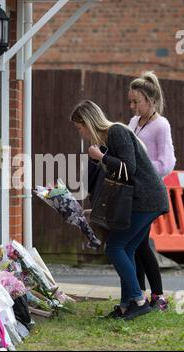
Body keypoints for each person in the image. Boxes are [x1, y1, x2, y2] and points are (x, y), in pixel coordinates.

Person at [70, 100, 169, 320]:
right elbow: (112, 180)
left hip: (147, 198)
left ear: (88, 122)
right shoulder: (107, 139)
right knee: (128, 248)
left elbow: (129, 168)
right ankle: (127, 305)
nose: (81, 134)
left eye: (80, 128)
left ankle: (139, 300)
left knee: (115, 247)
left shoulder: (116, 132)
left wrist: (102, 157)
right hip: (143, 199)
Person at [128, 71, 176, 310]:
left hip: (149, 193)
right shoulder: (134, 122)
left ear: (152, 101)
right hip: (134, 192)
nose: (132, 106)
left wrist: (140, 170)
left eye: (137, 101)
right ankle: (142, 295)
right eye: (131, 101)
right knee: (137, 243)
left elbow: (167, 163)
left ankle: (156, 296)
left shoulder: (161, 125)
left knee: (141, 243)